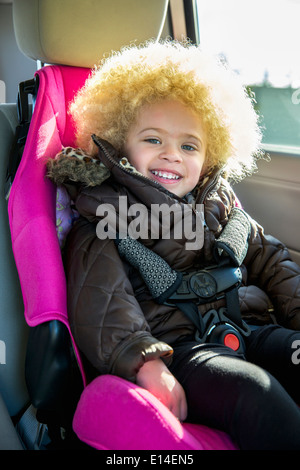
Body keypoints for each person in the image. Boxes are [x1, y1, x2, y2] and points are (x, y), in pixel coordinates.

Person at [47, 40, 300, 450]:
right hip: (180, 352)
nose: (172, 156)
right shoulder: (103, 218)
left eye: (189, 145)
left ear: (210, 153)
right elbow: (102, 302)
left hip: (248, 330)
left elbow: (273, 260)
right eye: (153, 140)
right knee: (257, 392)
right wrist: (146, 363)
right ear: (117, 142)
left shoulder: (222, 208)